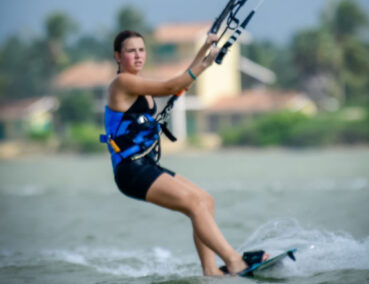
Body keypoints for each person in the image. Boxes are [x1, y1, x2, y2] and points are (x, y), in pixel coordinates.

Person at [102, 30, 268, 276]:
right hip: (130, 170)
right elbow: (172, 85)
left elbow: (181, 81)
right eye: (130, 51)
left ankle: (211, 270)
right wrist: (205, 64)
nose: (138, 55)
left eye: (141, 49)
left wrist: (204, 49)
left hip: (145, 164)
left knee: (205, 201)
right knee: (194, 203)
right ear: (118, 56)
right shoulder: (123, 83)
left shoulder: (141, 84)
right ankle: (234, 261)